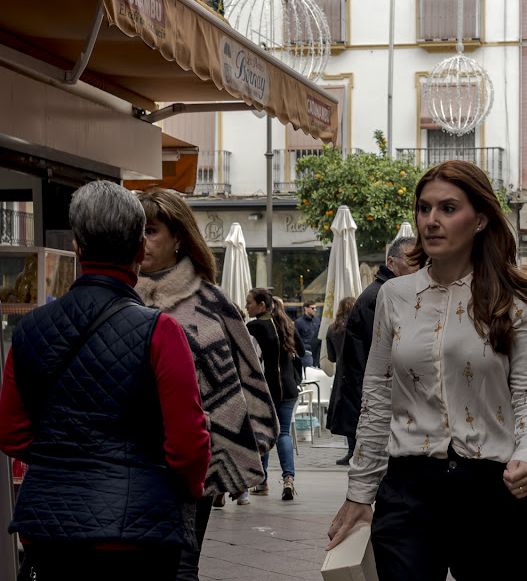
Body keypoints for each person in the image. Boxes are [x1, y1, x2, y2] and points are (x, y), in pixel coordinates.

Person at [327, 160, 527, 581]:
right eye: (424, 208)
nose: (431, 221)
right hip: (409, 492)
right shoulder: (394, 296)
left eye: (448, 208)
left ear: (482, 218)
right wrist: (360, 492)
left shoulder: (516, 299)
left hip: (492, 489)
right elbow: (377, 397)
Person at [0, 181, 211, 581]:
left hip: (48, 529)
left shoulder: (29, 330)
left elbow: (11, 434)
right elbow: (189, 444)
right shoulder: (161, 333)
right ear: (137, 250)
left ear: (78, 249)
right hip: (137, 534)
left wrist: (62, 454)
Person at [134, 188, 278, 580]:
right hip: (127, 461)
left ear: (178, 236)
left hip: (190, 466)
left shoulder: (211, 301)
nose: (141, 241)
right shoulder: (117, 297)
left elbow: (249, 381)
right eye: (136, 231)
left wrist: (240, 460)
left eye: (151, 231)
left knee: (181, 568)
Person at [327, 236, 418, 465]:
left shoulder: (391, 292)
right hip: (376, 407)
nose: (418, 267)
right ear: (391, 262)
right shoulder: (379, 297)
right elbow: (375, 361)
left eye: (421, 261)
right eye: (412, 261)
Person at [246, 289, 305, 500]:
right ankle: (288, 478)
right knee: (284, 434)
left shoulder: (254, 327)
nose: (246, 307)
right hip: (289, 388)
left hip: (266, 389)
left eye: (249, 303)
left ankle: (262, 482)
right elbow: (303, 351)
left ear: (262, 306)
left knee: (263, 433)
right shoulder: (287, 324)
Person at [325, 296, 357, 462]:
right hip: (358, 373)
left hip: (341, 375)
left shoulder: (332, 329)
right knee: (359, 411)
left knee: (346, 413)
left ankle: (351, 450)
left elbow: (331, 357)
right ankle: (360, 451)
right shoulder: (358, 328)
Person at [295, 299, 321, 370]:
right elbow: (296, 339)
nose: (315, 310)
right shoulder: (299, 322)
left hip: (317, 351)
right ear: (305, 308)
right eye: (312, 308)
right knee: (309, 368)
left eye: (316, 308)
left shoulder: (317, 321)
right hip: (306, 351)